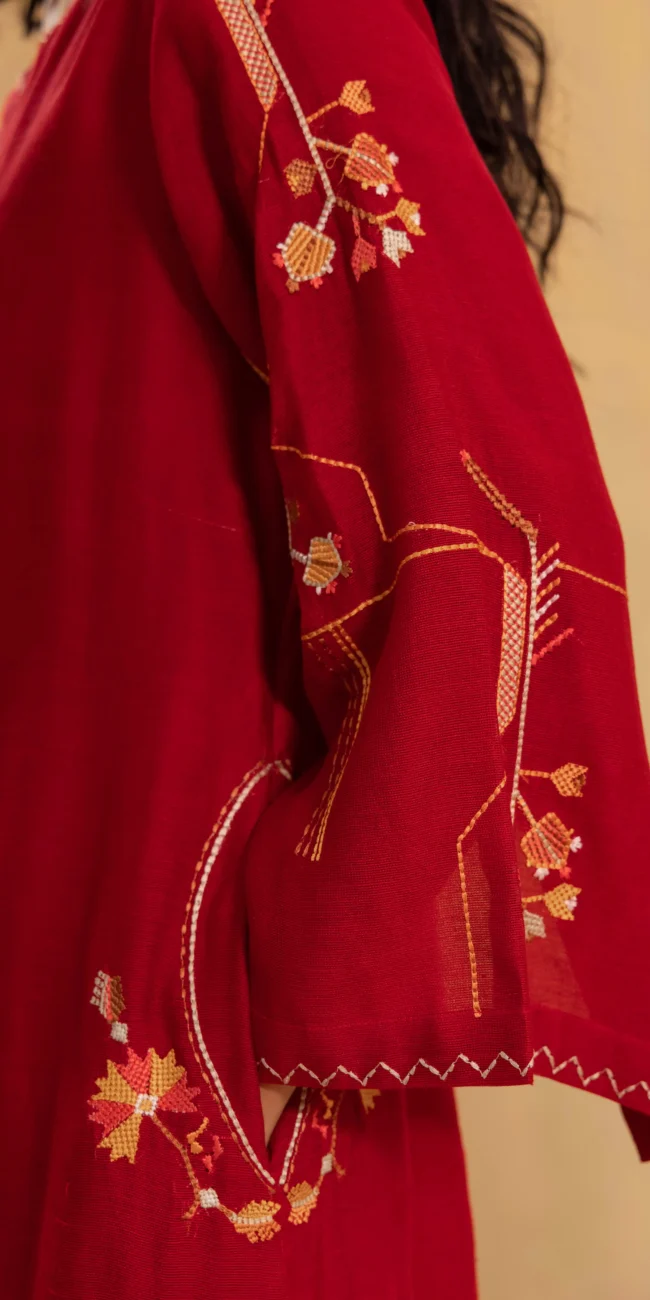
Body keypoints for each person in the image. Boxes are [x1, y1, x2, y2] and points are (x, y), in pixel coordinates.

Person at [0, 0, 649, 1296]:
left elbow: (485, 526)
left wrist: (292, 989)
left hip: (182, 1086)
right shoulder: (85, 47)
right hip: (49, 981)